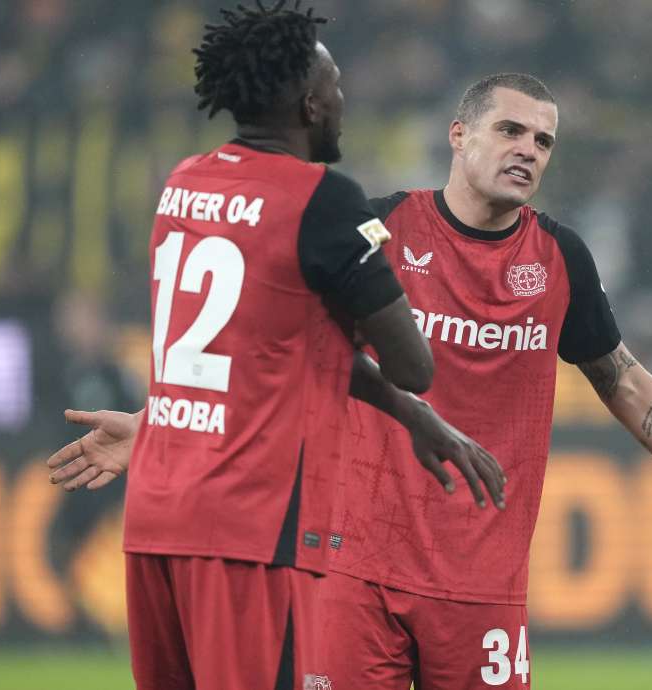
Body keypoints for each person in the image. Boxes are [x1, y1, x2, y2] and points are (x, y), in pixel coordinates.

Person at [51, 72, 652, 689]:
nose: (528, 150)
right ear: (458, 136)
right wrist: (156, 424)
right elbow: (267, 356)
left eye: (544, 141)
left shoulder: (559, 258)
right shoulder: (375, 230)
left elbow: (622, 378)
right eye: (510, 130)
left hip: (483, 580)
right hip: (353, 568)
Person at [47, 3, 500, 688]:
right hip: (249, 529)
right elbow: (413, 364)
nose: (342, 98)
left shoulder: (184, 184)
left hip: (156, 516)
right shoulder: (324, 201)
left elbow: (264, 350)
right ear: (310, 101)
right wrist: (408, 390)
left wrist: (412, 416)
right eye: (336, 84)